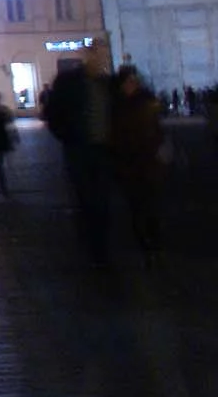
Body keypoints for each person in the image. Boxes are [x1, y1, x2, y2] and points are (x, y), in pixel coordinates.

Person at [43, 47, 114, 264]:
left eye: (102, 57)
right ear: (87, 58)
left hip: (103, 149)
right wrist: (67, 136)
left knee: (103, 199)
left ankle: (100, 244)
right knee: (85, 197)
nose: (100, 60)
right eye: (96, 55)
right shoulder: (68, 82)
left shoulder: (106, 84)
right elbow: (52, 113)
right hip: (79, 149)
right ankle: (91, 245)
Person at [108, 65, 165, 261]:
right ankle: (144, 241)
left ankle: (154, 241)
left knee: (151, 203)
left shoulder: (145, 101)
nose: (132, 84)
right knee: (136, 205)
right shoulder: (116, 106)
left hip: (147, 161)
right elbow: (114, 136)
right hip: (128, 163)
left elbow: (157, 130)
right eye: (129, 81)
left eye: (134, 81)